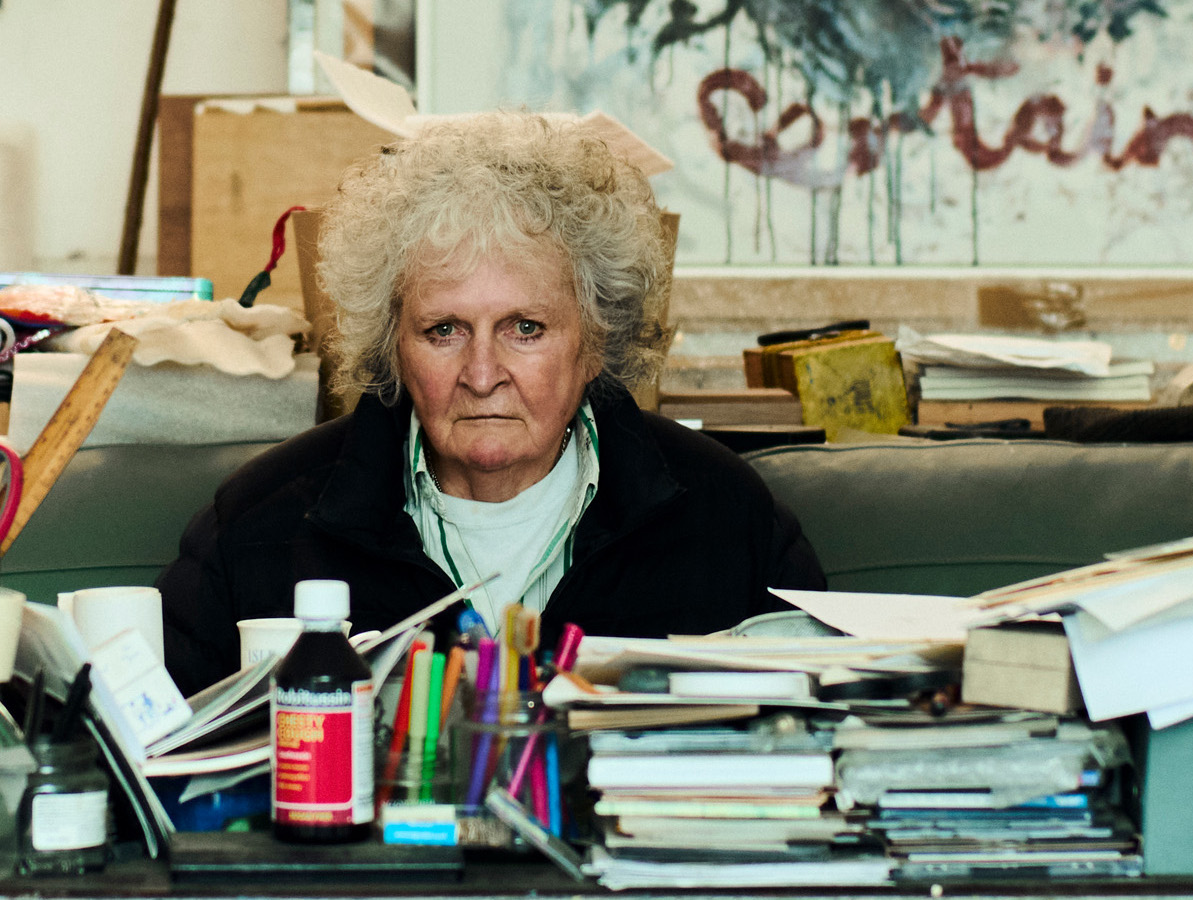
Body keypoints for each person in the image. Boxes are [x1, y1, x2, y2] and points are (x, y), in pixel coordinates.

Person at [157, 111, 825, 695]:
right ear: (394, 346)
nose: (482, 374)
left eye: (524, 328)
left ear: (593, 344)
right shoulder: (260, 524)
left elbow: (832, 733)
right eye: (442, 330)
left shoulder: (724, 514)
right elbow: (155, 757)